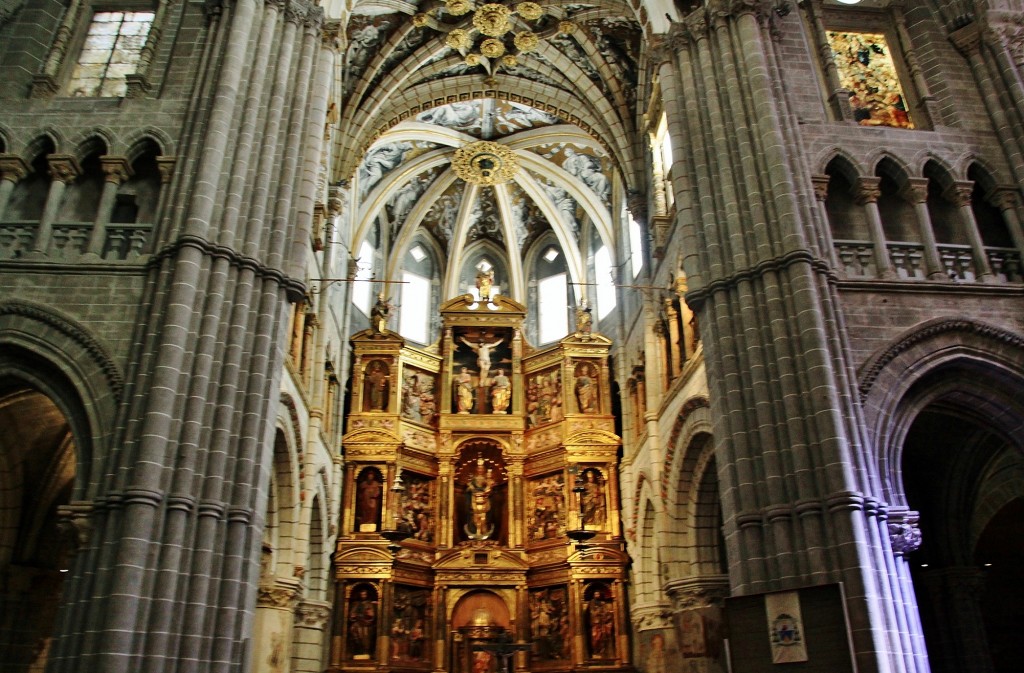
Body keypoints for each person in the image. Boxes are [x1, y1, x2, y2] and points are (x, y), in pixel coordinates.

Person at [464, 457, 494, 539]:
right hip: (474, 499)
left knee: (485, 516)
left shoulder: (487, 479)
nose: (480, 470)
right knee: (474, 515)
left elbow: (490, 490)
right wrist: (471, 489)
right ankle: (474, 531)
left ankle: (484, 532)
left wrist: (488, 490)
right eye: (479, 468)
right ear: (476, 469)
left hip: (484, 499)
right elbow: (468, 490)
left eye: (482, 468)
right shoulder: (473, 479)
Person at [348, 588, 378, 658]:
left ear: (366, 595)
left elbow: (371, 615)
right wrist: (353, 615)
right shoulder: (356, 604)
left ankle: (366, 652)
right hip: (358, 623)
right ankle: (357, 651)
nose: (363, 596)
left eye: (364, 594)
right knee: (354, 633)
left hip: (366, 624)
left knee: (365, 638)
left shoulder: (369, 603)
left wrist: (368, 615)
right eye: (362, 594)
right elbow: (352, 614)